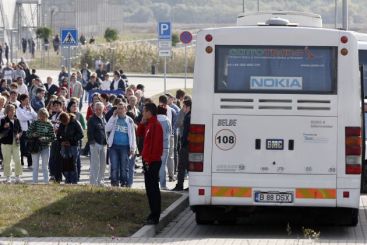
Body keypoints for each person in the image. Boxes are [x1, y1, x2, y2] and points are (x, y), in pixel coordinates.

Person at [140, 103, 163, 224]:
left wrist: (148, 161)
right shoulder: (148, 124)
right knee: (149, 189)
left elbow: (155, 146)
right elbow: (139, 133)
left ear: (149, 112)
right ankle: (152, 212)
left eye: (144, 111)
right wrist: (142, 123)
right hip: (147, 160)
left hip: (152, 161)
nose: (142, 113)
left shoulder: (156, 125)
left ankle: (155, 215)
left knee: (153, 189)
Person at [106, 102, 136, 187]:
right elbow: (107, 128)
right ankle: (114, 183)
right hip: (114, 146)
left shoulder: (129, 120)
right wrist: (113, 117)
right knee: (114, 166)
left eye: (121, 108)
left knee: (124, 167)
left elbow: (133, 135)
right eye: (118, 108)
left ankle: (124, 183)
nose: (119, 110)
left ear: (125, 109)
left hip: (125, 147)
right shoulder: (114, 118)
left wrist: (132, 148)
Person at [27, 108, 55, 184]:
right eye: (41, 115)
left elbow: (53, 137)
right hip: (35, 147)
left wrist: (45, 138)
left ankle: (46, 182)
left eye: (44, 115)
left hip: (45, 147)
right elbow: (27, 133)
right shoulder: (35, 123)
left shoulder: (49, 124)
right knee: (35, 165)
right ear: (38, 115)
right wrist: (33, 134)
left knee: (45, 166)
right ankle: (34, 182)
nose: (42, 117)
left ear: (47, 115)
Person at [57, 112, 83, 184]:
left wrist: (71, 141)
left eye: (66, 122)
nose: (65, 124)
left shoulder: (75, 122)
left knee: (73, 163)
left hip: (73, 146)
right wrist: (61, 142)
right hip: (64, 146)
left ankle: (74, 181)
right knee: (65, 163)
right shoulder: (62, 124)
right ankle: (67, 180)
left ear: (68, 118)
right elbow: (58, 135)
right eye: (63, 122)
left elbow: (81, 134)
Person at [172, 99, 191, 191]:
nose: (183, 108)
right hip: (190, 145)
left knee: (181, 166)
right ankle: (190, 186)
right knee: (189, 167)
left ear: (188, 107)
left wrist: (182, 144)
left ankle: (179, 185)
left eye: (184, 106)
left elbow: (186, 133)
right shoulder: (192, 116)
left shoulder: (188, 117)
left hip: (186, 145)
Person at [0, 104, 22, 183]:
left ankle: (17, 177)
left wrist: (18, 135)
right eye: (10, 110)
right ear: (7, 111)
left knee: (18, 159)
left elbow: (21, 131)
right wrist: (3, 127)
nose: (12, 112)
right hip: (6, 143)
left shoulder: (17, 120)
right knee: (7, 160)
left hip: (15, 142)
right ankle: (8, 178)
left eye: (13, 110)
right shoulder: (3, 120)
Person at [87, 102, 107, 186]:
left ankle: (100, 181)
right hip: (95, 144)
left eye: (100, 109)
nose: (98, 111)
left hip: (104, 144)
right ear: (94, 110)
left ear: (103, 109)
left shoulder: (104, 118)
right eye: (96, 109)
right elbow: (89, 132)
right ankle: (93, 182)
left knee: (103, 164)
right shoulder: (92, 119)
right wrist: (93, 143)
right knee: (95, 164)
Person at [16, 94, 37, 168]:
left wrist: (30, 111)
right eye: (26, 100)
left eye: (28, 100)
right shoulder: (18, 109)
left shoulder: (29, 107)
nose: (28, 101)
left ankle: (30, 164)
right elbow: (22, 118)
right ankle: (21, 163)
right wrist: (30, 116)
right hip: (23, 130)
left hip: (30, 130)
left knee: (30, 147)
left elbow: (36, 116)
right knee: (23, 148)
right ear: (21, 101)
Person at [67, 100, 85, 181]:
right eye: (73, 106)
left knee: (76, 160)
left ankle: (76, 177)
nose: (75, 107)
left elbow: (83, 128)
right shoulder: (66, 115)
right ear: (69, 107)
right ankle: (69, 177)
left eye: (76, 106)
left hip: (76, 142)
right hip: (66, 143)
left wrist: (74, 138)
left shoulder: (79, 115)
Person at [157, 106, 172, 190]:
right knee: (163, 166)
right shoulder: (167, 121)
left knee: (154, 165)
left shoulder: (154, 120)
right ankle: (163, 185)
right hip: (165, 146)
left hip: (155, 146)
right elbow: (169, 132)